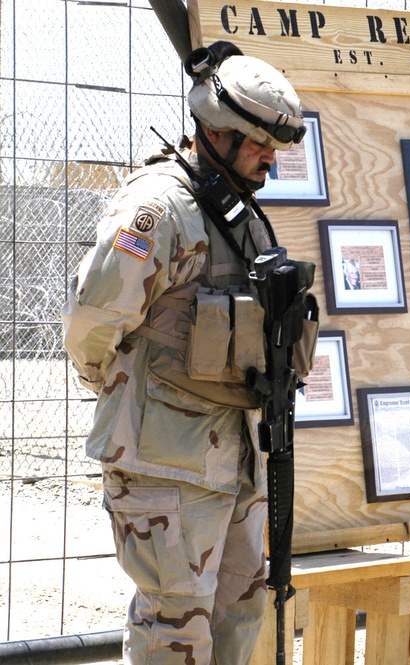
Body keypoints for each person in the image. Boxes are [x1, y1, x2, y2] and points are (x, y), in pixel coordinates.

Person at [62, 41, 307, 665]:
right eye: (257, 146)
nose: (268, 162)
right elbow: (92, 324)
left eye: (273, 149)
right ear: (214, 131)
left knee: (240, 613)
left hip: (236, 456)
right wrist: (129, 396)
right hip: (168, 463)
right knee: (174, 629)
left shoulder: (239, 215)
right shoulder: (160, 210)